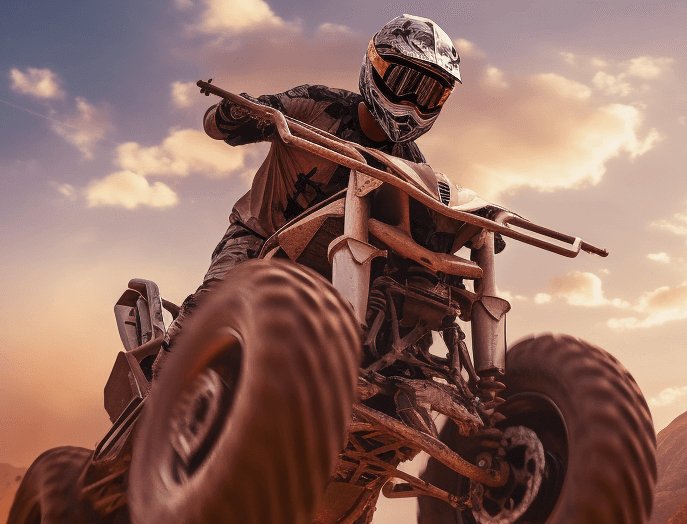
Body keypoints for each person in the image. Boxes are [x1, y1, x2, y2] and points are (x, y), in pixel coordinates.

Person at [160, 13, 461, 357]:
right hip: (262, 240)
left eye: (430, 93)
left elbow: (430, 225)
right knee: (204, 319)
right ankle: (165, 385)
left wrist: (462, 227)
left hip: (341, 267)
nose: (412, 102)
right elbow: (223, 124)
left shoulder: (413, 165)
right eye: (405, 82)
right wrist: (234, 113)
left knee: (404, 340)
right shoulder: (317, 103)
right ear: (375, 65)